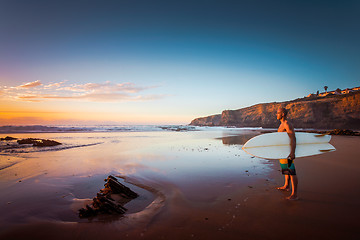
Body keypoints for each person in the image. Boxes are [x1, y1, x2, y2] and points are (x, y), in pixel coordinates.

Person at [276, 107, 298, 200]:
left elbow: (293, 138)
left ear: (283, 114)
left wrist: (292, 152)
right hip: (282, 152)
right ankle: (286, 186)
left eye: (278, 113)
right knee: (285, 169)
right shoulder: (281, 125)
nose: (276, 114)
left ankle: (294, 194)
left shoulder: (287, 124)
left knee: (292, 172)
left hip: (288, 152)